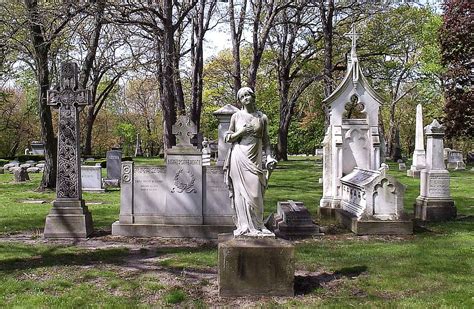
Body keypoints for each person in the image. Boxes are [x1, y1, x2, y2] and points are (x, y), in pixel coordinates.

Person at [224, 87, 277, 237]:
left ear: (253, 97)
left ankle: (259, 225)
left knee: (256, 194)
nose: (246, 98)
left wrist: (270, 157)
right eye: (242, 96)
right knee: (240, 194)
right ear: (240, 101)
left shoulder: (262, 117)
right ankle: (245, 226)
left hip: (255, 160)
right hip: (238, 157)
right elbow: (228, 137)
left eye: (248, 95)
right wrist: (240, 132)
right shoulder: (236, 116)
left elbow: (266, 141)